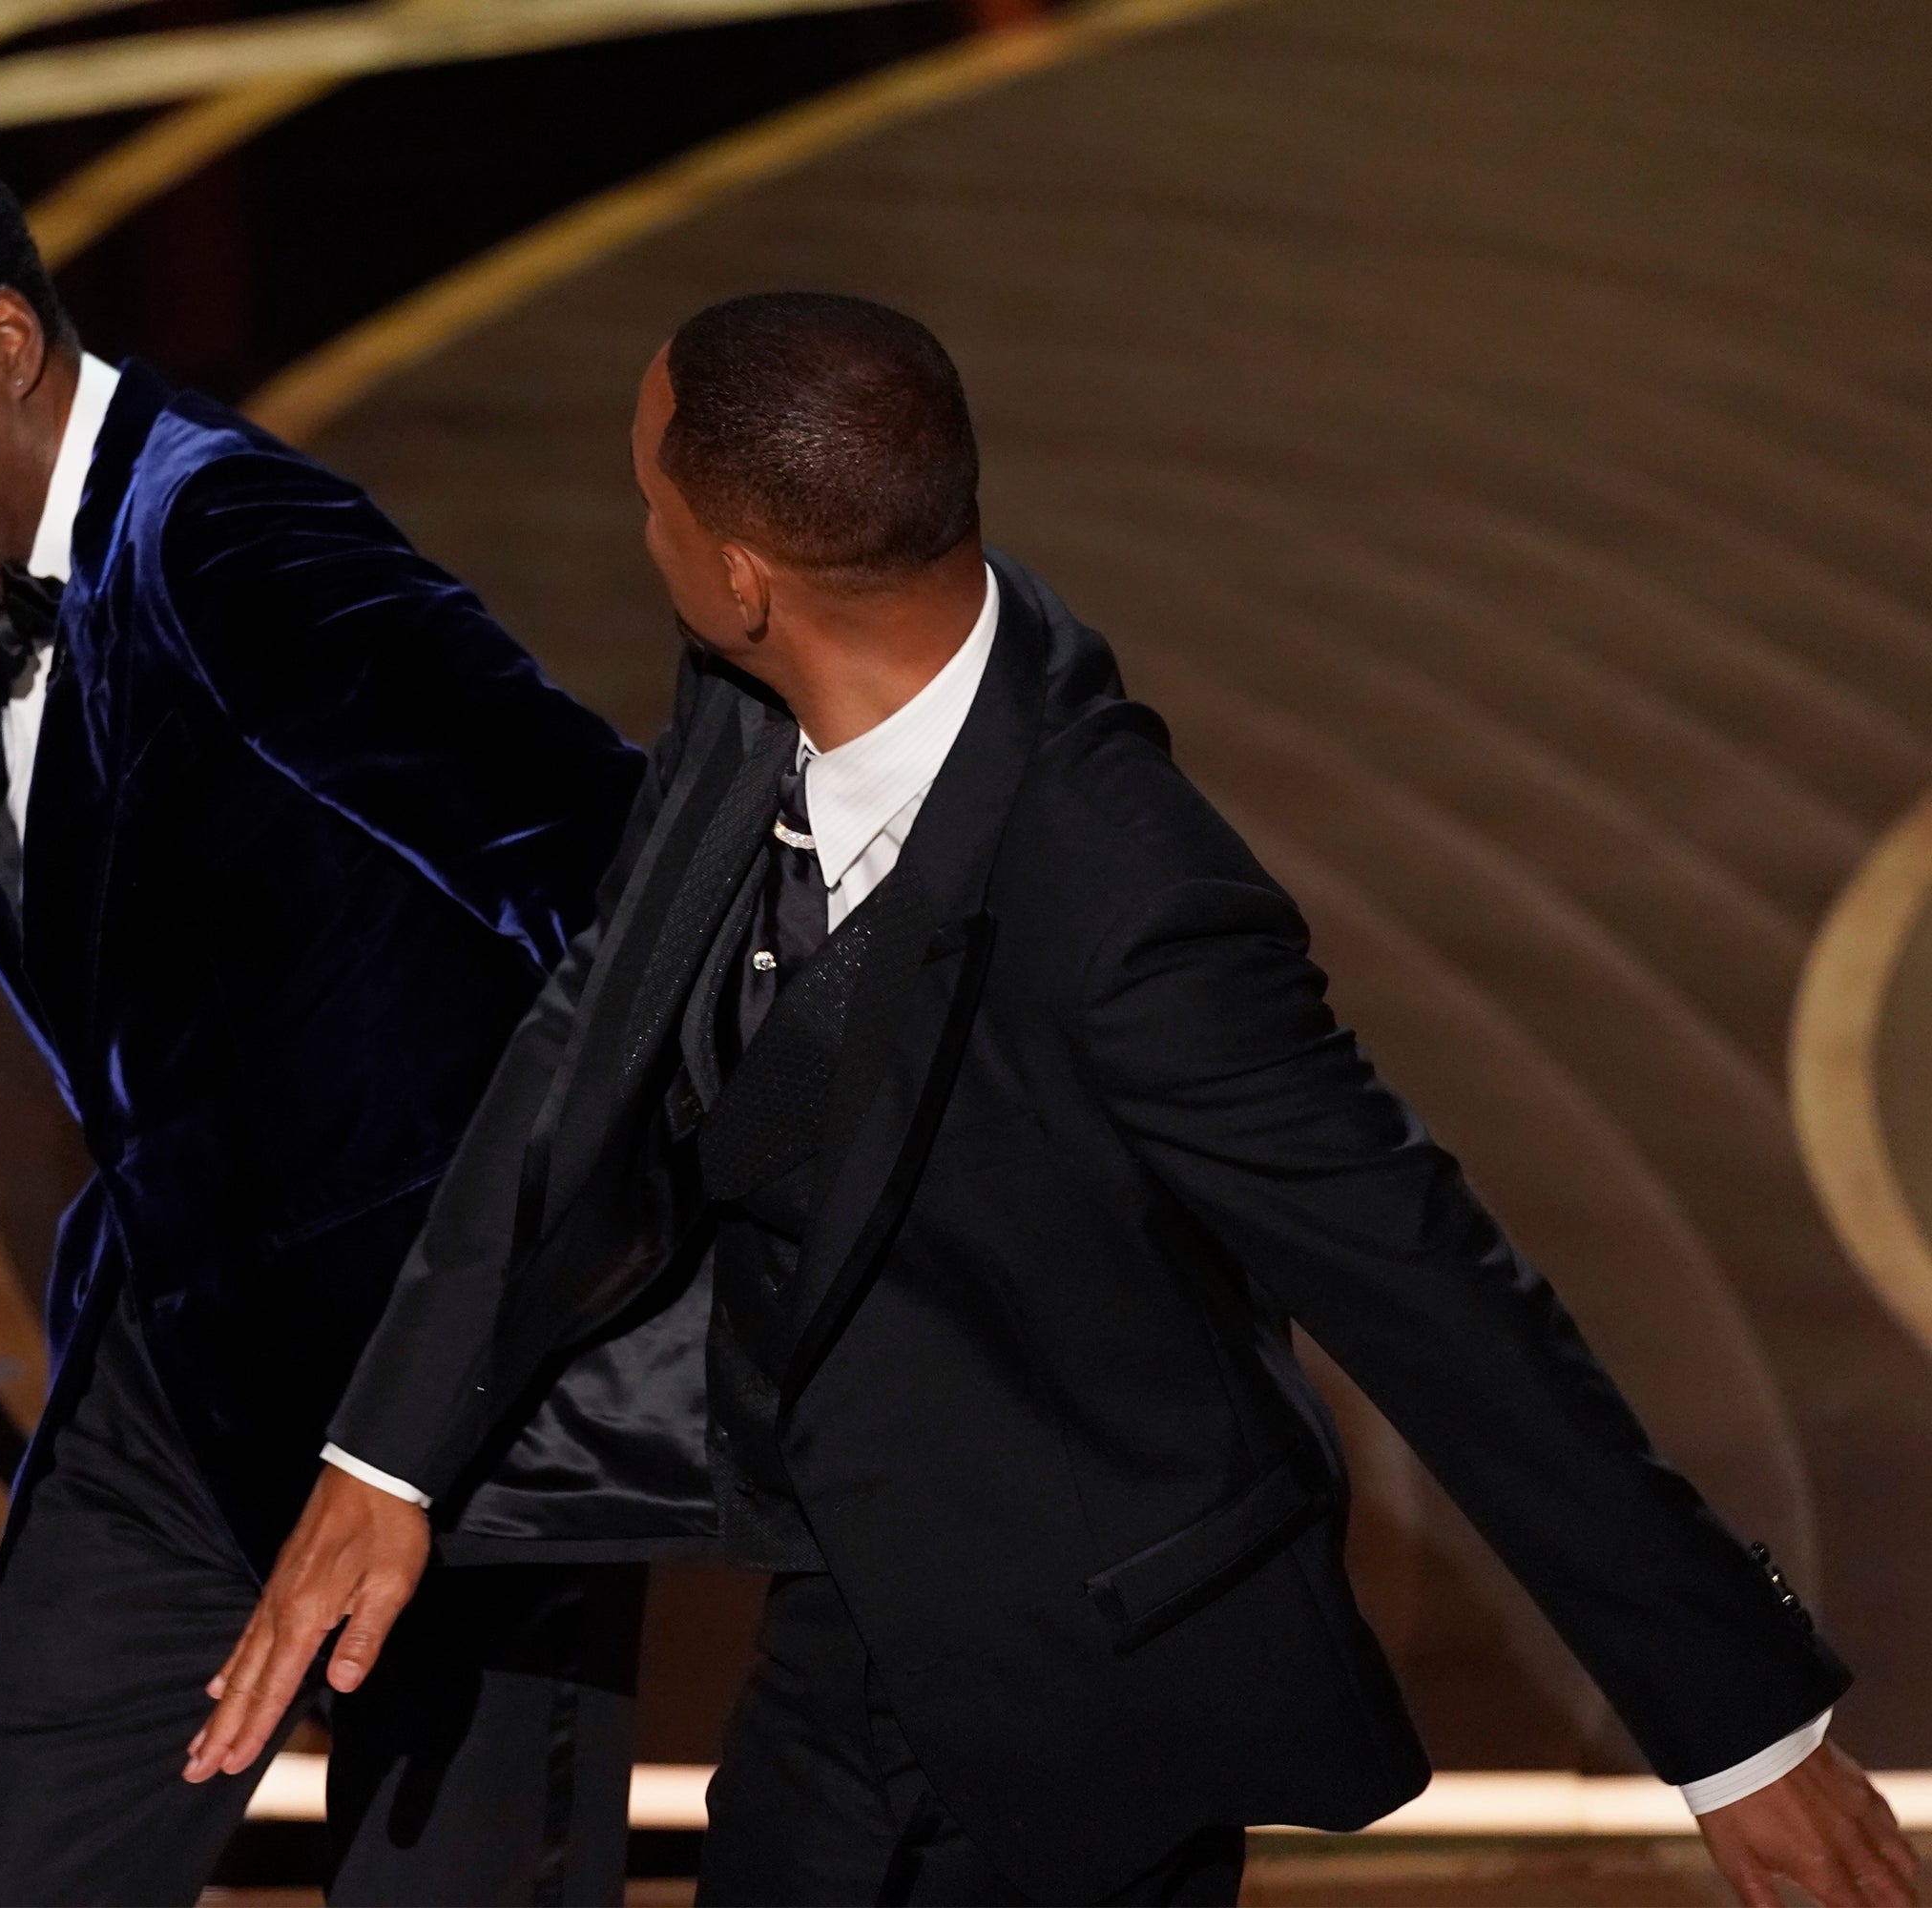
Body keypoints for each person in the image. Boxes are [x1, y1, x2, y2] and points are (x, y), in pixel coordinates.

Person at [188, 293, 1922, 1908]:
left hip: (1094, 1691)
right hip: (844, 1627)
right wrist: (387, 1451)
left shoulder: (1132, 904)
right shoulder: (750, 695)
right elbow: (604, 1019)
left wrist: (1739, 1730)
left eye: (647, 500)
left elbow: (1436, 1292)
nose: (635, 534)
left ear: (739, 574)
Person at [0, 124, 651, 1905]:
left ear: (2, 341)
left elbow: (595, 853)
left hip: (441, 1421)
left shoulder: (226, 531)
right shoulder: (15, 615)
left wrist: (467, 1365)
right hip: (176, 1395)